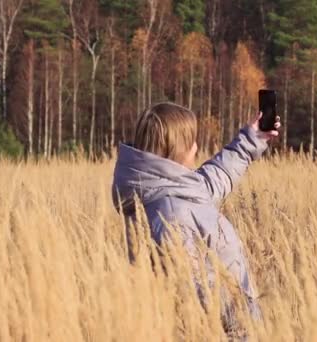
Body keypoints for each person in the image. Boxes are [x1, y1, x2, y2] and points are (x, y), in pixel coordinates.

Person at [111, 102, 280, 326]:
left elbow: (216, 176)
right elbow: (195, 292)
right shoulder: (171, 214)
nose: (196, 147)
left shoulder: (171, 191)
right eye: (192, 141)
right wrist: (244, 319)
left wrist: (253, 138)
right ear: (179, 148)